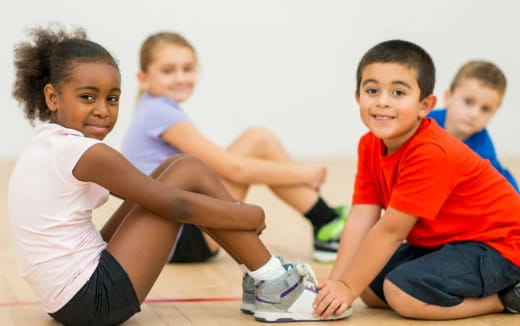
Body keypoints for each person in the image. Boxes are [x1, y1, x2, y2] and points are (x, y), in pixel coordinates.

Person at [7, 26, 351, 325]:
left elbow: (144, 196)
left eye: (112, 99)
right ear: (52, 97)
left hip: (67, 299)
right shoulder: (85, 152)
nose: (102, 110)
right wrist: (245, 214)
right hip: (93, 301)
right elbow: (177, 207)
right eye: (87, 97)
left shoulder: (48, 143)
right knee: (185, 173)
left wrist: (231, 214)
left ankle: (262, 277)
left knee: (182, 166)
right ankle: (274, 282)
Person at [312, 40, 520, 321]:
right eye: (372, 90)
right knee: (371, 290)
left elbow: (391, 231)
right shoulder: (370, 144)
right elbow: (363, 215)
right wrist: (337, 283)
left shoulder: (431, 152)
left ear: (425, 105)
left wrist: (347, 287)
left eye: (398, 92)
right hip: (448, 241)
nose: (383, 101)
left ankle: (506, 298)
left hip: (500, 246)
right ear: (358, 97)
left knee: (403, 294)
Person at [121, 31, 348, 263]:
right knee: (258, 141)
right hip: (178, 239)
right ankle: (327, 224)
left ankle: (327, 222)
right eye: (168, 71)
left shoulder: (152, 108)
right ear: (143, 78)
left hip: (175, 230)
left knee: (258, 139)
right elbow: (234, 170)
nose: (180, 78)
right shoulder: (160, 113)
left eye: (187, 69)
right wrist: (305, 173)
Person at [428, 60, 519, 192]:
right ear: (448, 97)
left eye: (485, 109)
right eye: (468, 102)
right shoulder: (425, 121)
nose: (474, 114)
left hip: (499, 185)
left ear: (493, 113)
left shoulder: (483, 151)